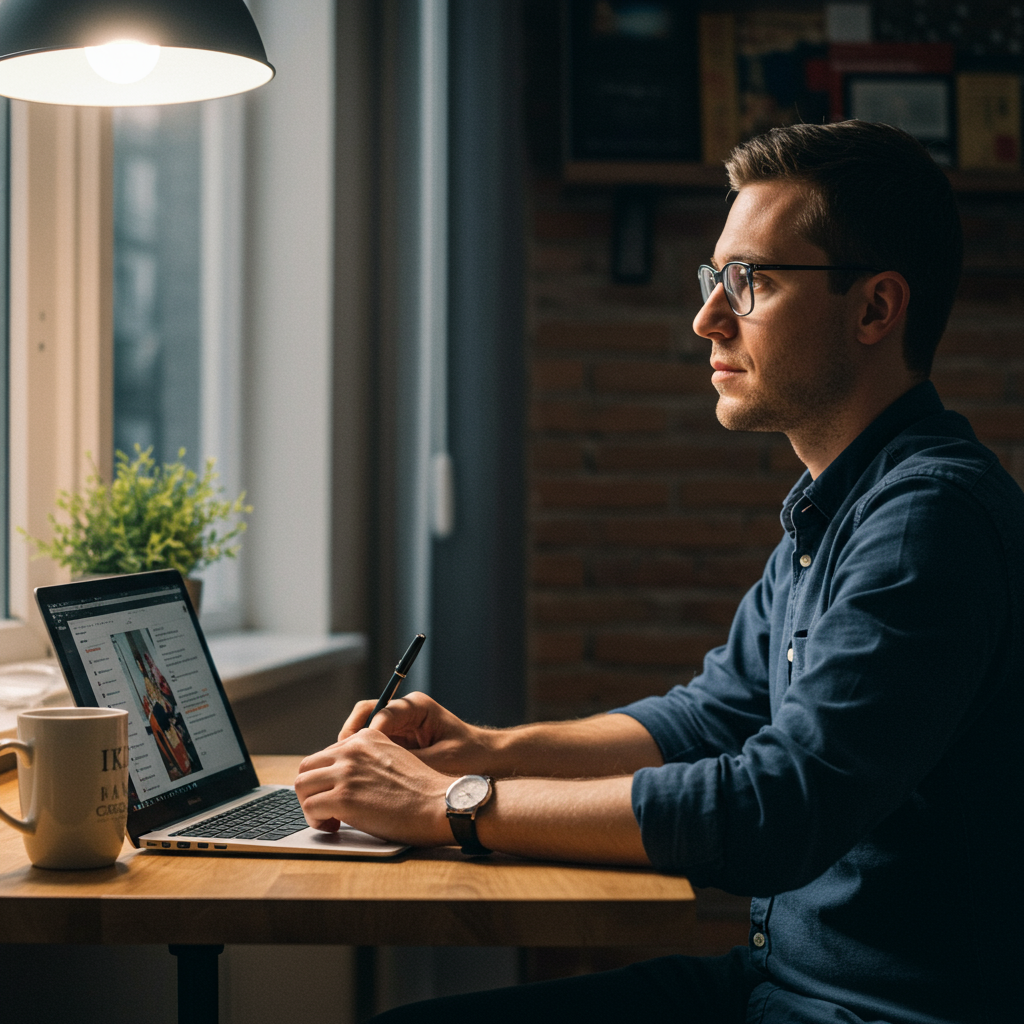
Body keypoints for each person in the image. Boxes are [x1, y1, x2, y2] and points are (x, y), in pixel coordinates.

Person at [295, 121, 1022, 1024]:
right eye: (714, 278)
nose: (708, 317)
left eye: (749, 281)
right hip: (776, 990)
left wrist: (454, 803)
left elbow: (775, 809)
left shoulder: (926, 524)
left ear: (876, 309)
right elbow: (711, 715)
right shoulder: (837, 504)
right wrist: (485, 748)